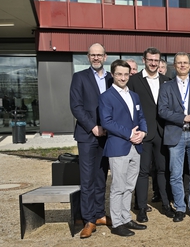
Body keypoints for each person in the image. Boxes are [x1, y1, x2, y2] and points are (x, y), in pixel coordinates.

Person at [98, 59, 148, 237]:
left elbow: (141, 116)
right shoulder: (106, 97)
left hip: (136, 146)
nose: (123, 77)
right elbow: (107, 122)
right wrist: (129, 134)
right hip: (119, 147)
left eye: (126, 74)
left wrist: (143, 132)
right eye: (119, 74)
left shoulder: (134, 95)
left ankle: (126, 217)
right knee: (118, 186)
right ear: (112, 75)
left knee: (129, 185)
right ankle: (117, 222)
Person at [69, 43, 113, 239]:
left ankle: (99, 214)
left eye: (99, 55)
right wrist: (93, 126)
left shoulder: (112, 78)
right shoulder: (79, 77)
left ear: (105, 57)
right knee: (87, 179)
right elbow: (76, 106)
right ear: (88, 57)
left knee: (102, 176)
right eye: (92, 55)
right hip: (88, 135)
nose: (96, 58)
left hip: (107, 136)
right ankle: (88, 220)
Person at [158, 52, 190, 222]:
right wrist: (183, 117)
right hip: (175, 135)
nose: (183, 65)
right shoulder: (166, 86)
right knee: (175, 174)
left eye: (185, 63)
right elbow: (162, 110)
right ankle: (180, 207)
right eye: (179, 63)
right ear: (174, 65)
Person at [128, 47, 173, 222]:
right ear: (144, 60)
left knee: (162, 170)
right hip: (143, 133)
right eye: (150, 60)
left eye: (156, 60)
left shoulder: (167, 81)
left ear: (160, 61)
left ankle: (166, 204)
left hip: (163, 133)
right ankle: (141, 208)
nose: (153, 63)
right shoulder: (134, 81)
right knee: (143, 172)